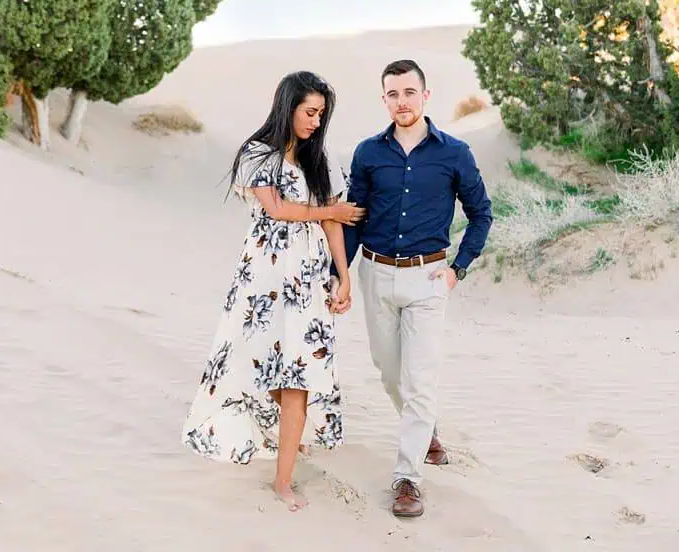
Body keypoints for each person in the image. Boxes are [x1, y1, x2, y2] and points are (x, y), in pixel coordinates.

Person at [181, 70, 365, 512]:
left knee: (299, 372)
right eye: (309, 112)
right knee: (264, 361)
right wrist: (331, 208)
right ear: (288, 107)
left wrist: (344, 275)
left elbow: (332, 222)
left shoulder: (319, 159)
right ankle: (285, 444)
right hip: (264, 275)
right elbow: (277, 209)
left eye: (321, 114)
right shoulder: (257, 154)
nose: (316, 122)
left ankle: (283, 478)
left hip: (307, 276)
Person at [331, 58, 493, 519]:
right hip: (376, 274)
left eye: (409, 92)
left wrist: (457, 268)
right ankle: (426, 430)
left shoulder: (455, 153)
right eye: (392, 94)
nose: (401, 101)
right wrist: (339, 273)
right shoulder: (367, 153)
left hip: (428, 278)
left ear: (425, 95)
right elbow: (355, 220)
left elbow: (481, 213)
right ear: (384, 100)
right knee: (389, 372)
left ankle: (407, 478)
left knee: (420, 379)